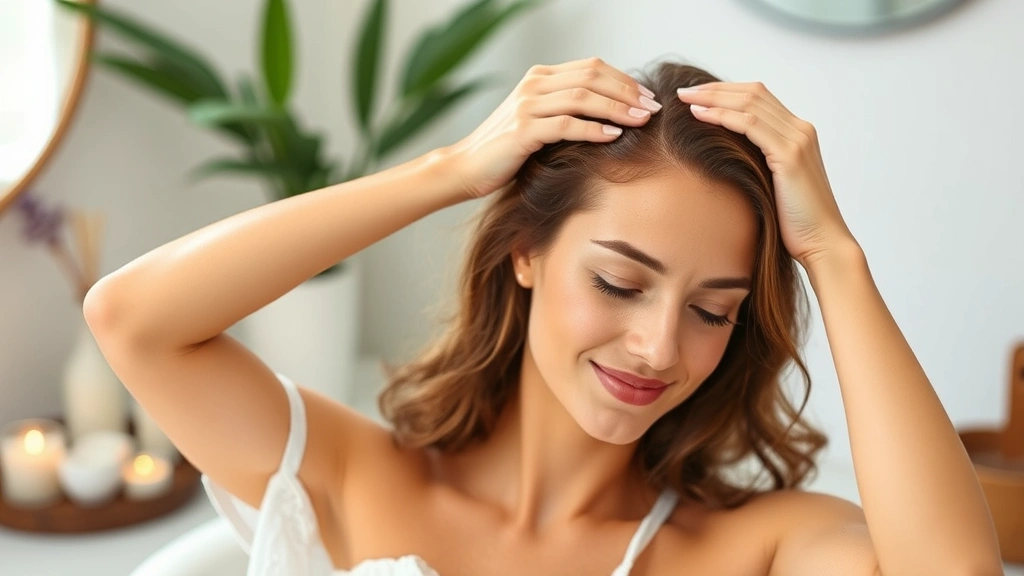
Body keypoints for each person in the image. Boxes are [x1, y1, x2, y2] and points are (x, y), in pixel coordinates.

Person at [83, 57, 1004, 575]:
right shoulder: (350, 475)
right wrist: (452, 169)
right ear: (524, 252)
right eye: (618, 283)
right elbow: (131, 318)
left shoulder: (751, 548)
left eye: (713, 313)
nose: (657, 346)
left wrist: (834, 258)